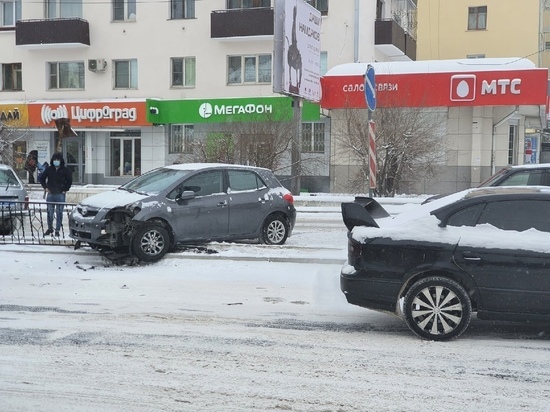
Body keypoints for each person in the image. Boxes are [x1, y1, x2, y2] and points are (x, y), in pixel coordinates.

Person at [39, 152, 72, 237]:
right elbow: (42, 178)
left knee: (59, 213)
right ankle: (50, 228)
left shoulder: (65, 170)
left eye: (58, 160)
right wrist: (45, 187)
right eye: (54, 160)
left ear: (61, 160)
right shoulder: (49, 169)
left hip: (60, 194)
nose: (56, 161)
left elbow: (69, 180)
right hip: (50, 194)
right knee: (50, 212)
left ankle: (57, 230)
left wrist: (65, 189)